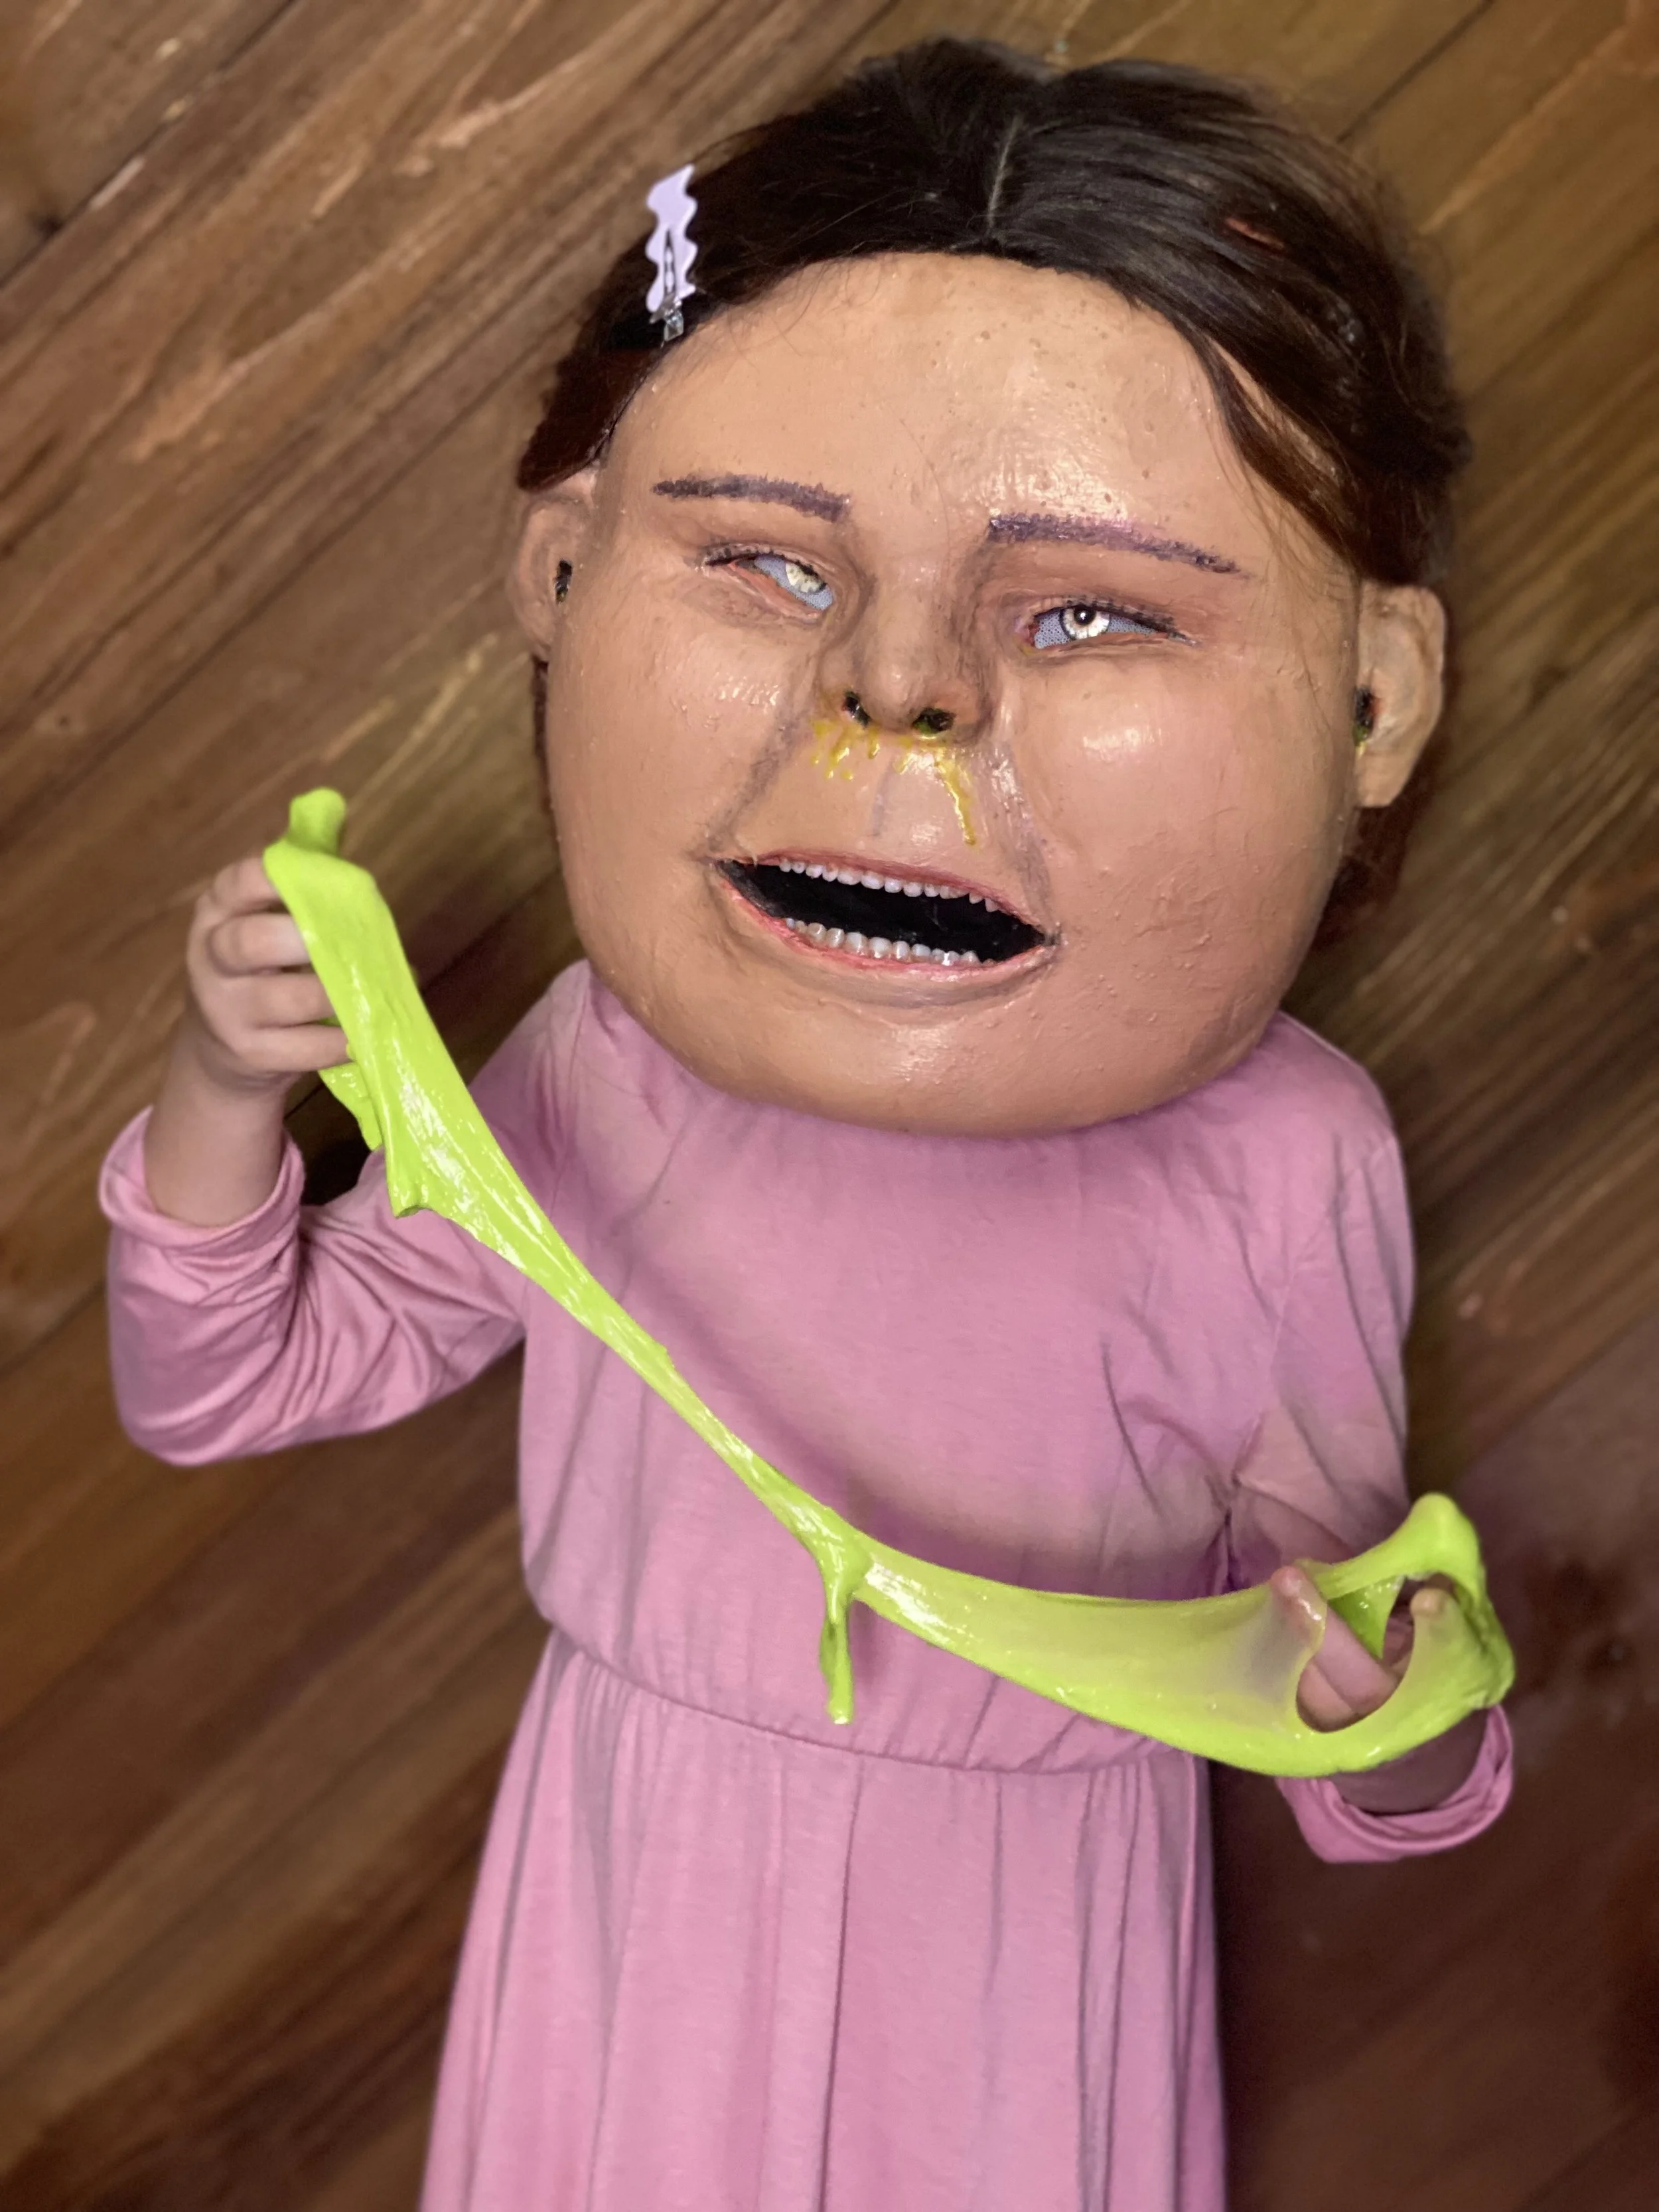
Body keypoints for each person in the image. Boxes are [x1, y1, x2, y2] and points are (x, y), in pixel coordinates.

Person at [101, 40, 1512, 2211]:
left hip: (1021, 1951)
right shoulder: (612, 1059)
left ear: (1374, 695)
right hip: (640, 1897)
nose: (904, 688)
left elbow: (1325, 1662)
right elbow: (232, 1380)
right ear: (559, 574)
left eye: (1089, 611)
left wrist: (1403, 1717)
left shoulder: (1280, 1162)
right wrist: (225, 1088)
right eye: (768, 565)